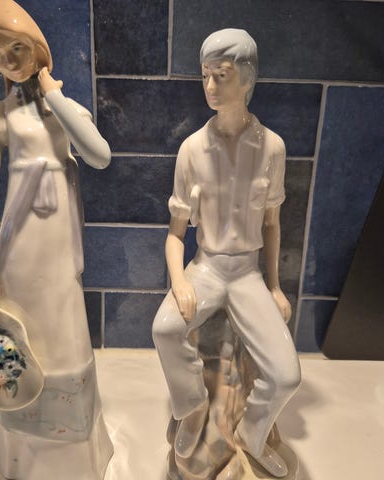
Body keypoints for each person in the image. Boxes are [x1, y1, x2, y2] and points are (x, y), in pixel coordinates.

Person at [0, 1, 112, 478]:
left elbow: (99, 154)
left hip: (60, 248)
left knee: (64, 332)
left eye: (16, 48)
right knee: (26, 336)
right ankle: (25, 451)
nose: (9, 61)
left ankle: (70, 455)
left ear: (37, 46)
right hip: (21, 249)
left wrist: (53, 93)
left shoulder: (64, 109)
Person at [152, 28, 301, 478]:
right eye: (205, 75)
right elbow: (175, 234)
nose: (211, 86)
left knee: (287, 375)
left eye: (222, 75)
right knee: (164, 329)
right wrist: (180, 281)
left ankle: (253, 434)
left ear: (247, 79)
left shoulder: (272, 148)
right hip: (207, 269)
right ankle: (192, 406)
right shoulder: (191, 150)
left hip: (247, 274)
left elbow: (272, 224)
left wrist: (274, 286)